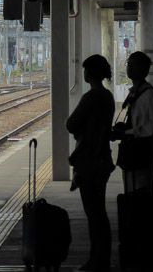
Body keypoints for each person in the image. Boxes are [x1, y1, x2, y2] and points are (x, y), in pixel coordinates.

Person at [66, 54, 116, 272]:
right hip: (103, 158)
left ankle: (97, 261)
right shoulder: (108, 96)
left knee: (94, 214)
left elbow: (71, 123)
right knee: (99, 213)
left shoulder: (91, 97)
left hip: (89, 160)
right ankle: (101, 258)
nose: (83, 73)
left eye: (85, 70)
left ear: (90, 73)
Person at [112, 51, 153, 193]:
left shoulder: (149, 95)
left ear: (143, 69)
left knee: (142, 193)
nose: (129, 68)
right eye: (128, 64)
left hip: (143, 152)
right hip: (132, 152)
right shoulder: (135, 92)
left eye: (132, 65)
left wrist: (129, 132)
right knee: (132, 191)